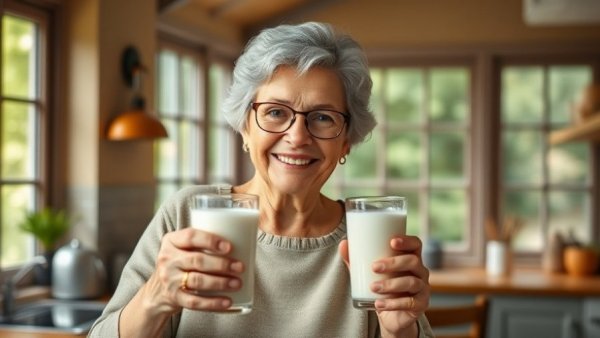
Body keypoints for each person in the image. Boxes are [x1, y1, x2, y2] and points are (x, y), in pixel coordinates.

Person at [89, 22, 434, 338]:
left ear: (346, 141)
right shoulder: (187, 214)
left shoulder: (368, 238)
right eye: (275, 112)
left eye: (323, 117)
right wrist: (155, 297)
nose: (297, 136)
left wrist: (400, 332)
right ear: (244, 128)